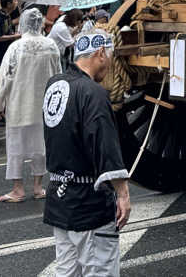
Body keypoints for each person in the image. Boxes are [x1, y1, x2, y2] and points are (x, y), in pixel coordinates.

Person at [43, 31, 131, 275]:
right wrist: (122, 193)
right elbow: (105, 146)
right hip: (88, 202)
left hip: (60, 198)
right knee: (99, 269)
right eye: (110, 58)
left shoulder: (55, 85)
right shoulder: (93, 93)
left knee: (67, 271)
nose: (110, 66)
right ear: (101, 53)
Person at [0, 7, 62, 204]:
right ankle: (38, 187)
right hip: (44, 104)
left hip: (18, 104)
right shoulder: (51, 46)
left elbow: (5, 77)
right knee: (41, 145)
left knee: (16, 146)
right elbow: (58, 74)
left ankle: (18, 189)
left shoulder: (16, 47)